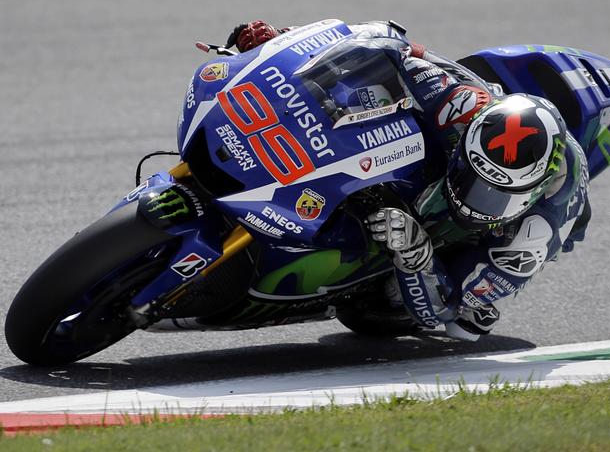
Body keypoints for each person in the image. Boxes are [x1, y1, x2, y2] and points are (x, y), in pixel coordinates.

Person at [226, 20, 591, 341]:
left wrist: (416, 253)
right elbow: (384, 46)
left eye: (493, 194)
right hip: (456, 128)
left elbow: (444, 311)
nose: (470, 198)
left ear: (530, 193)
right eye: (472, 176)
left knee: (463, 323)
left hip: (505, 240)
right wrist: (280, 42)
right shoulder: (458, 105)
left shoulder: (535, 233)